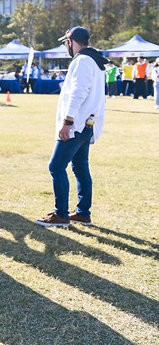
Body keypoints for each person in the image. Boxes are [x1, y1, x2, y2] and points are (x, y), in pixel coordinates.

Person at [35, 26, 107, 228]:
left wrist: (67, 122)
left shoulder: (83, 61)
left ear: (71, 41)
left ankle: (61, 214)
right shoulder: (93, 60)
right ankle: (83, 213)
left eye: (66, 43)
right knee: (80, 167)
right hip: (87, 122)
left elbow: (78, 93)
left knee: (56, 166)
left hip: (78, 123)